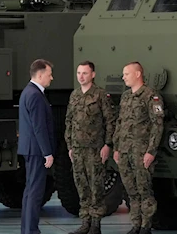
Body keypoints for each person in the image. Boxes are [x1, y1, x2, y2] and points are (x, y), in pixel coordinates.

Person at [65, 61, 117, 234]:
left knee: (96, 185)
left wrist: (108, 145)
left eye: (85, 73)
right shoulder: (75, 95)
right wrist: (70, 146)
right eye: (79, 73)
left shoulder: (101, 95)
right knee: (81, 185)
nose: (81, 76)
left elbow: (110, 121)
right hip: (77, 150)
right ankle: (85, 221)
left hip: (95, 149)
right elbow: (69, 121)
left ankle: (96, 224)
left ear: (93, 75)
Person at [113, 62, 165, 234]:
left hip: (141, 152)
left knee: (144, 189)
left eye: (126, 74)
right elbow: (120, 124)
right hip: (125, 152)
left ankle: (146, 226)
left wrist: (151, 151)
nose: (123, 77)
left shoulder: (151, 96)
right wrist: (116, 148)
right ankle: (136, 224)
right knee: (131, 190)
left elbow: (157, 125)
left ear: (137, 74)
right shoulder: (126, 97)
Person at [18, 59, 56, 234]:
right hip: (36, 151)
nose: (52, 78)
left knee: (30, 191)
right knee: (35, 192)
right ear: (40, 75)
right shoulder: (35, 95)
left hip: (30, 149)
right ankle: (31, 230)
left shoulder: (28, 92)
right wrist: (47, 153)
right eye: (49, 74)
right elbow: (39, 127)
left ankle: (27, 229)